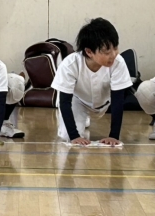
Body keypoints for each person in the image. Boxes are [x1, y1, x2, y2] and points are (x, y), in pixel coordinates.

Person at [51, 18, 132, 146]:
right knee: (66, 136)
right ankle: (82, 119)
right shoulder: (70, 64)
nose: (113, 55)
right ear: (89, 52)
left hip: (105, 104)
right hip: (78, 102)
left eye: (115, 48)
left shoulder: (118, 62)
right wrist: (74, 136)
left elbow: (118, 101)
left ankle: (84, 120)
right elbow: (64, 102)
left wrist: (114, 136)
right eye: (107, 51)